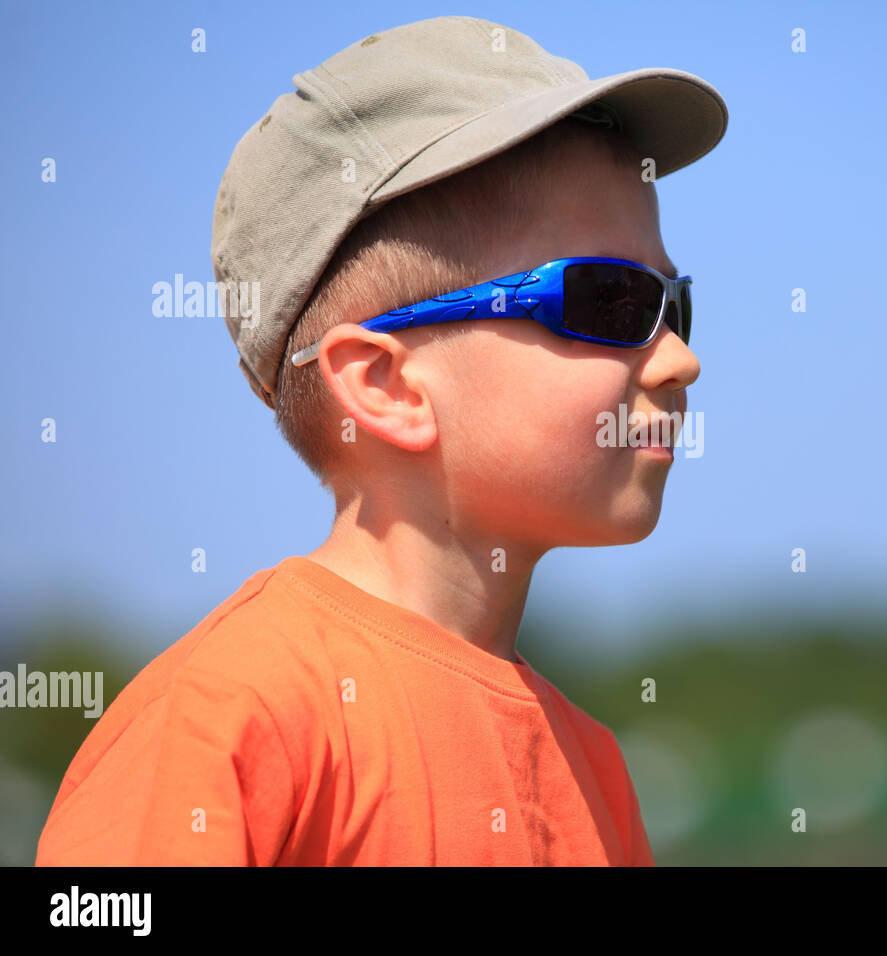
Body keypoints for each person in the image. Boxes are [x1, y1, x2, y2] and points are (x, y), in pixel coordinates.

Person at [35, 15, 727, 865]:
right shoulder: (224, 722)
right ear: (384, 386)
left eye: (675, 304)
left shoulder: (598, 774)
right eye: (611, 303)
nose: (682, 360)